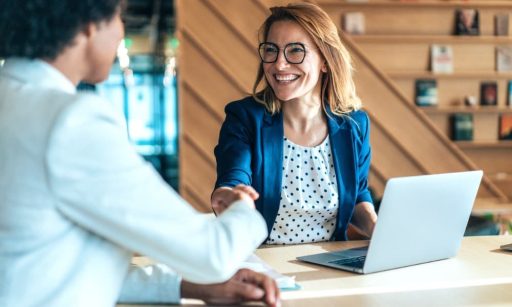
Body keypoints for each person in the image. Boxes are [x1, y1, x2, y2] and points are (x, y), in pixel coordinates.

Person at [0, 1, 279, 306]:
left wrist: (186, 286)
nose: (121, 32)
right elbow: (213, 254)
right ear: (88, 25)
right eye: (119, 17)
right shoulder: (71, 121)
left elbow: (39, 267)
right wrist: (243, 209)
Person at [212, 3, 377, 245]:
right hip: (264, 264)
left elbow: (358, 194)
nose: (279, 64)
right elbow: (234, 178)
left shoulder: (354, 124)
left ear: (325, 60)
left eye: (296, 51)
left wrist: (377, 228)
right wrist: (229, 196)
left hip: (330, 263)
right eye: (271, 50)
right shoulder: (245, 117)